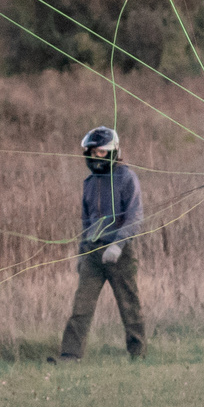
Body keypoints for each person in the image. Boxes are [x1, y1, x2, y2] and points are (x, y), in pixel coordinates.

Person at [55, 126, 145, 362]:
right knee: (81, 308)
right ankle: (69, 355)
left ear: (113, 152)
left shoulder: (127, 178)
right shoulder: (89, 182)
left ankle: (138, 354)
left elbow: (134, 216)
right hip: (93, 254)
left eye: (101, 153)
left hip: (120, 254)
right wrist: (81, 253)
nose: (96, 157)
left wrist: (117, 245)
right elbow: (87, 221)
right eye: (92, 152)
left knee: (129, 306)